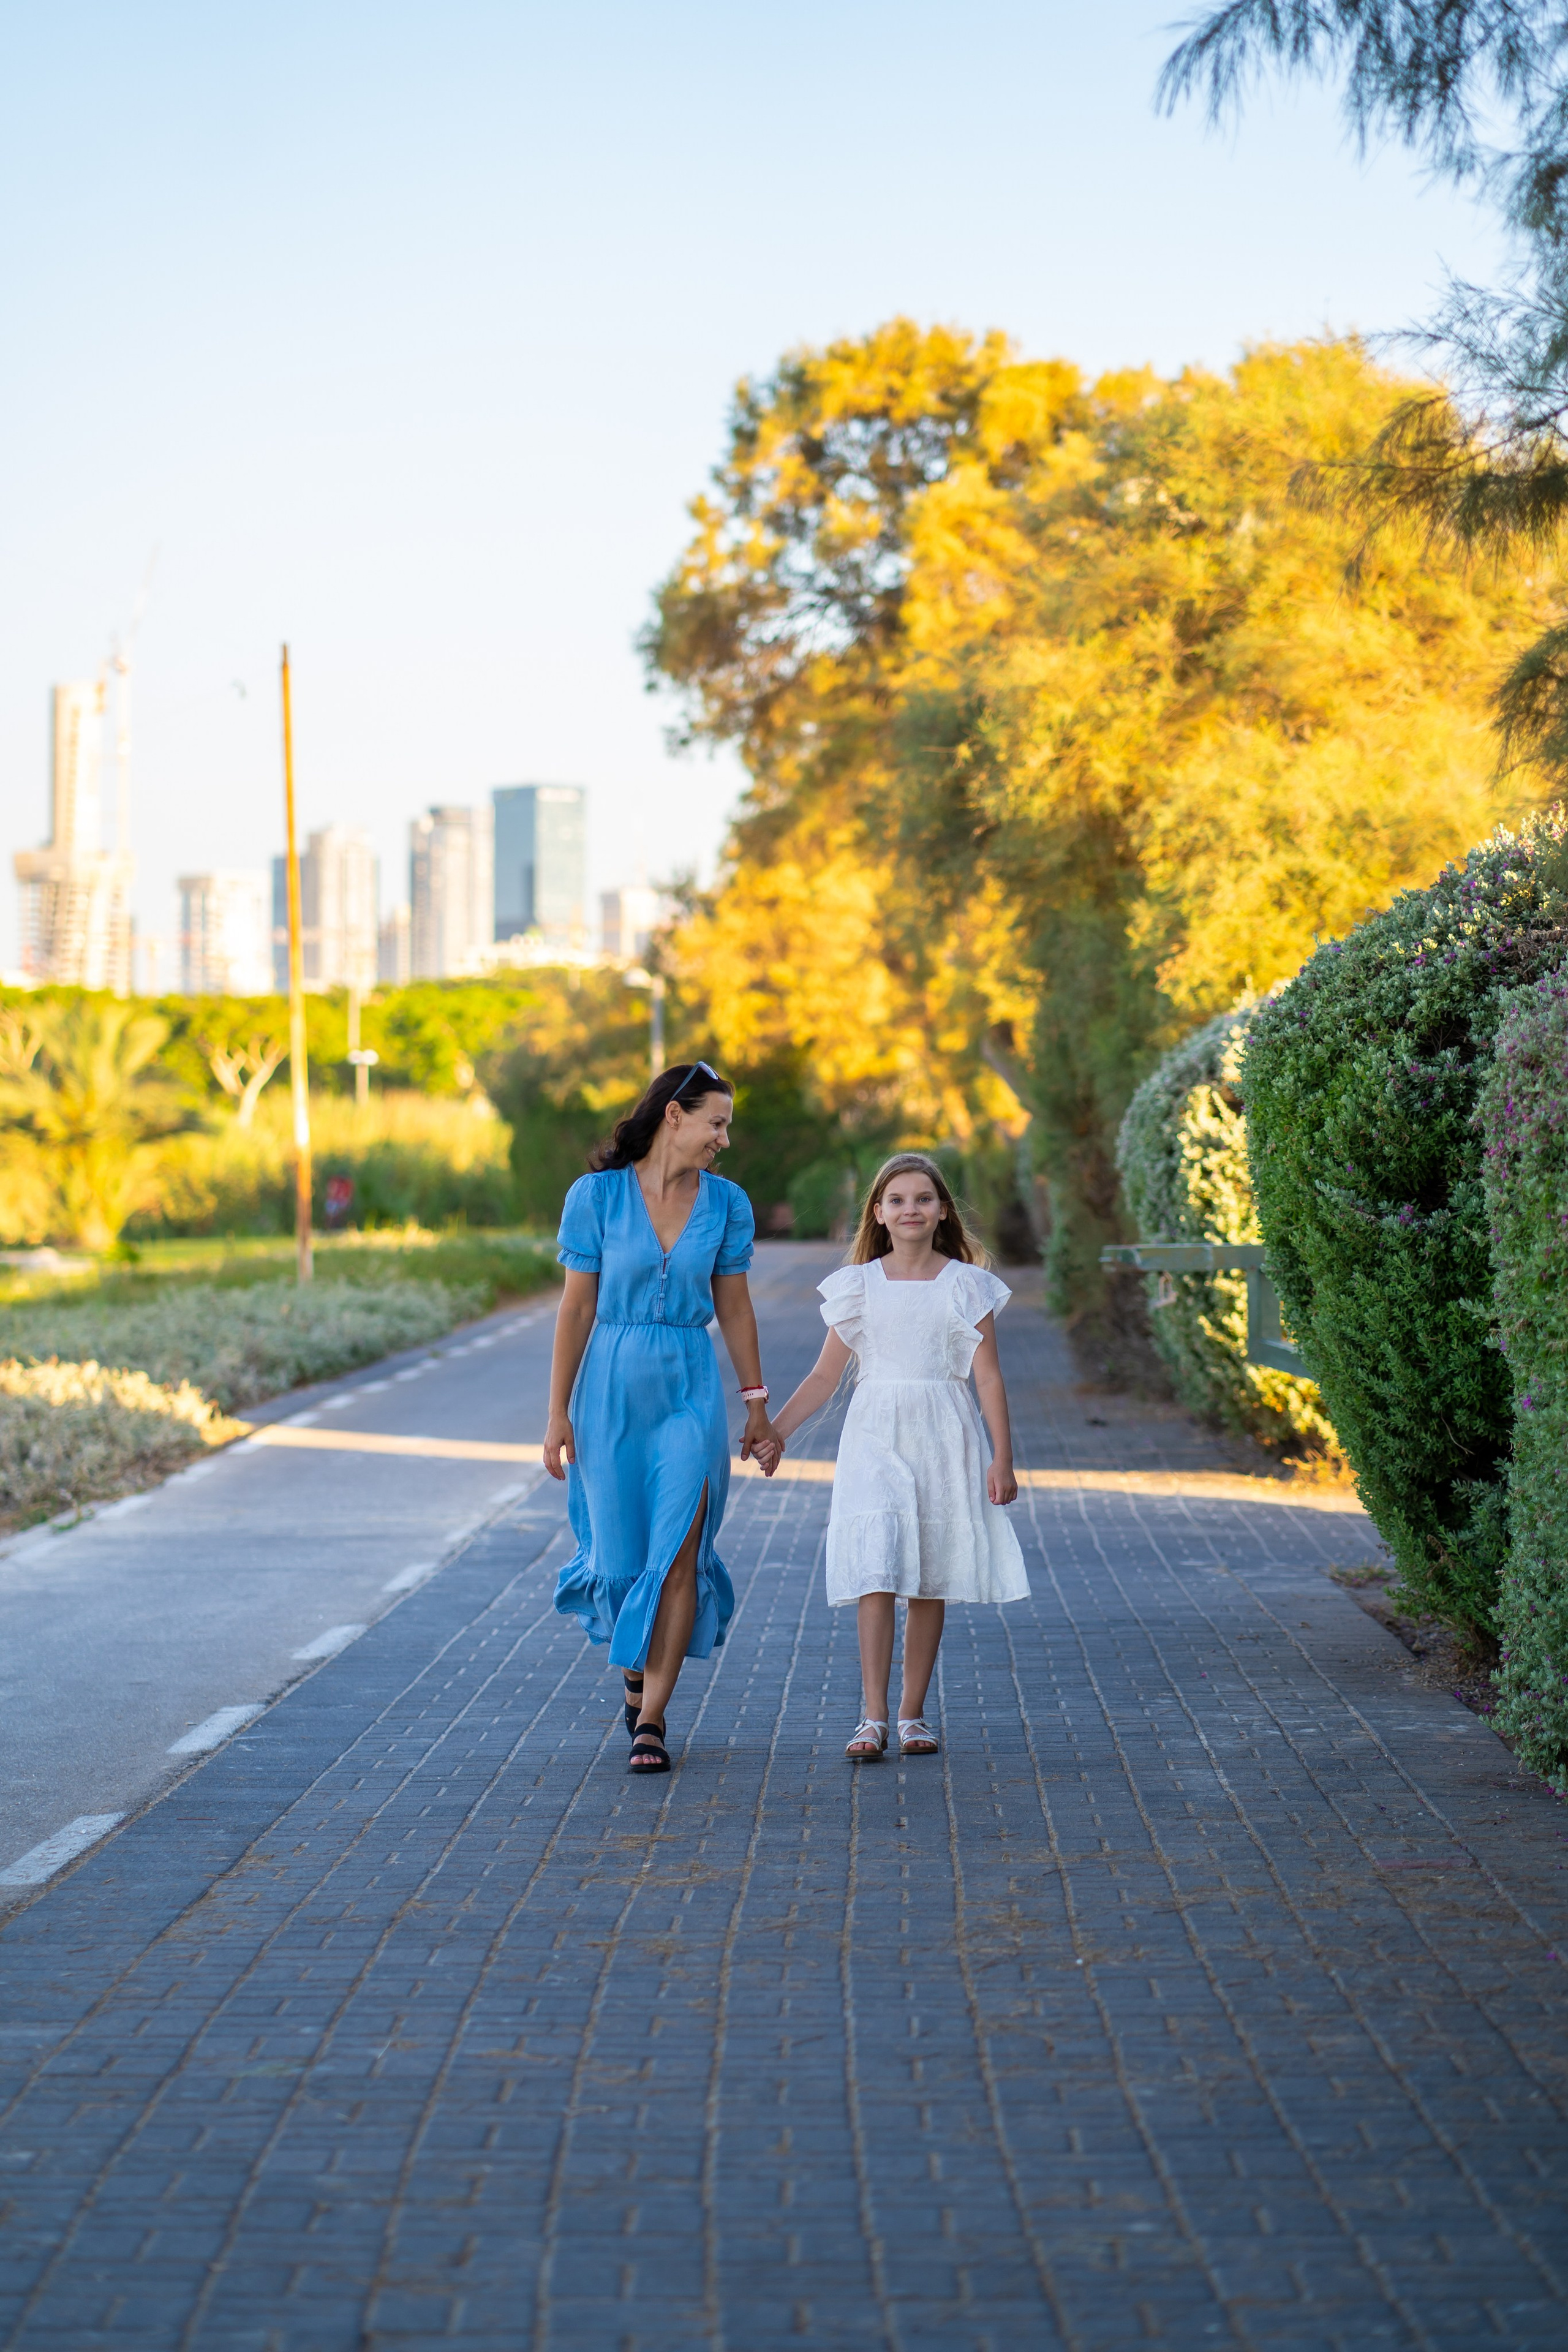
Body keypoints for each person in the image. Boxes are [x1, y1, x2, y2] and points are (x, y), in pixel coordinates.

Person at [544, 1060, 782, 1774]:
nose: (724, 1139)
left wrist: (757, 1407)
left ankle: (651, 1719)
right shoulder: (595, 1197)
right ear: (674, 1116)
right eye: (716, 1123)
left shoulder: (727, 1203)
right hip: (610, 1390)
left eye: (727, 1127)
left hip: (688, 1387)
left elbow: (734, 1308)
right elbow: (576, 1308)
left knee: (680, 1548)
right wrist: (557, 1413)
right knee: (620, 1559)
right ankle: (634, 1673)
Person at [765, 1153, 1027, 1758]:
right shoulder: (858, 1285)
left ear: (942, 1212)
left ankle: (912, 1715)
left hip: (943, 1434)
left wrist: (1002, 1459)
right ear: (878, 1213)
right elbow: (824, 1376)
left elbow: (988, 1377)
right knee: (877, 1568)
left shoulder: (967, 1285)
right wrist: (776, 1431)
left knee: (929, 1574)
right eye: (898, 1200)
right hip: (874, 1435)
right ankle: (873, 1717)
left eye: (924, 1199)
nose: (912, 1209)